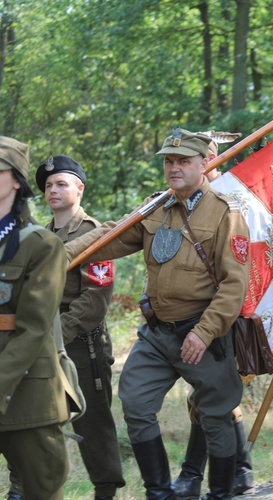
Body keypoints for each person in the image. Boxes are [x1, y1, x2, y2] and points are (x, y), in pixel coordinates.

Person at [65, 128, 250, 498]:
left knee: (215, 416)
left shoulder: (226, 214)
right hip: (158, 333)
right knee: (134, 401)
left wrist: (205, 331)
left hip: (203, 333)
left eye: (183, 161)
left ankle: (220, 493)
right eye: (169, 161)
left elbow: (235, 284)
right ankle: (159, 492)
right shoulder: (156, 207)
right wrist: (61, 254)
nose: (174, 168)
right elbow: (110, 234)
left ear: (205, 163)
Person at [15, 156, 125, 500]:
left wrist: (56, 332)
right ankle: (21, 487)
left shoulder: (94, 233)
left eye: (61, 183)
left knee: (92, 424)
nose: (53, 190)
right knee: (29, 420)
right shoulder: (38, 235)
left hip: (79, 342)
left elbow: (95, 300)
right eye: (48, 185)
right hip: (37, 340)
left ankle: (105, 490)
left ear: (80, 188)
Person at [170, 131, 254, 498]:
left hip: (226, 311)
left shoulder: (230, 199)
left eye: (191, 157)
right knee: (210, 396)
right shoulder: (179, 197)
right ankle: (239, 469)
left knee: (210, 396)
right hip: (184, 316)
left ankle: (196, 474)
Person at [0, 137, 69, 500]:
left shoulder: (39, 244)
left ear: (16, 181)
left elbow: (33, 327)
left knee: (41, 490)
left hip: (26, 391)